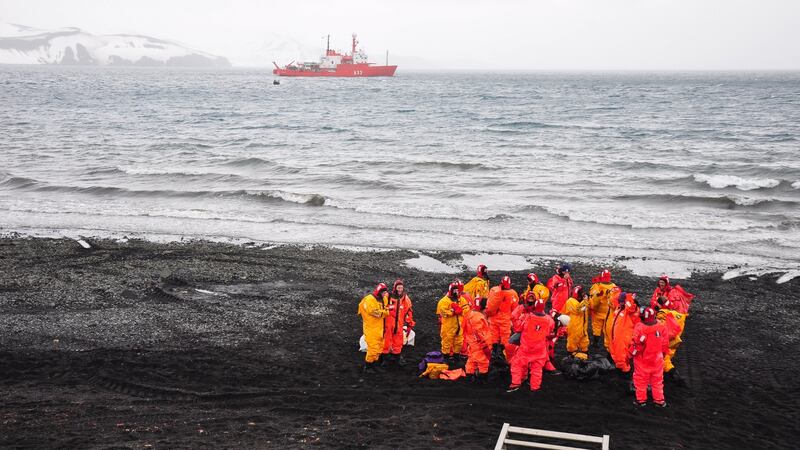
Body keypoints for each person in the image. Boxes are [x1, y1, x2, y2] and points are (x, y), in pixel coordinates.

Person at [507, 298, 555, 393]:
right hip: (539, 349)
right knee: (537, 369)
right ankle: (535, 387)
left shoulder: (527, 317)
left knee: (516, 364)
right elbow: (550, 332)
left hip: (526, 348)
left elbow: (517, 328)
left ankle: (515, 383)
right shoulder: (549, 320)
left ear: (534, 306)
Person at [630, 307, 670, 407]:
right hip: (657, 360)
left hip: (642, 361)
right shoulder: (662, 327)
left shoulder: (639, 327)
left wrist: (630, 355)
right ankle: (659, 401)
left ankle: (641, 400)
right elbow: (665, 345)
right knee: (657, 381)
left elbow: (636, 345)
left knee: (640, 381)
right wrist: (662, 355)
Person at [382, 279, 416, 366]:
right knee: (386, 340)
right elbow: (381, 307)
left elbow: (408, 310)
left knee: (398, 340)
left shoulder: (404, 298)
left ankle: (396, 357)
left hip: (399, 323)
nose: (400, 289)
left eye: (401, 287)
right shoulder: (388, 296)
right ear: (395, 288)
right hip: (388, 323)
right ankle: (385, 359)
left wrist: (409, 322)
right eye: (398, 287)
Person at [358, 283, 390, 372]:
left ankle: (374, 364)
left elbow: (385, 308)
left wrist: (384, 311)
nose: (385, 294)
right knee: (373, 348)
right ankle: (368, 366)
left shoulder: (384, 298)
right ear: (379, 292)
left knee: (380, 346)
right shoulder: (369, 300)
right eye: (383, 292)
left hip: (379, 327)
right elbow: (376, 313)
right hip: (371, 327)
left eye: (385, 292)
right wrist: (386, 312)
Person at [485, 275, 519, 360]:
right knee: (505, 338)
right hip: (505, 319)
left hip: (494, 317)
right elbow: (515, 308)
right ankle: (505, 355)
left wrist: (488, 314)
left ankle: (494, 353)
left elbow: (489, 304)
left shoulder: (494, 290)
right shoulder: (513, 294)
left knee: (494, 336)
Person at [655, 296, 688, 380]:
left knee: (664, 360)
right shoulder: (677, 314)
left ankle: (674, 375)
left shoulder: (662, 313)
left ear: (660, 304)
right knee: (667, 357)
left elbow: (659, 327)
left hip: (665, 340)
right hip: (674, 340)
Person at [462, 296, 493, 383]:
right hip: (480, 345)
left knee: (471, 360)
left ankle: (469, 378)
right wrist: (485, 346)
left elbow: (464, 329)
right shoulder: (479, 318)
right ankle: (482, 381)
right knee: (483, 362)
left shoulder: (469, 314)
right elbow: (479, 334)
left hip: (472, 343)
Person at [436, 282, 470, 359]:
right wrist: (453, 312)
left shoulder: (461, 299)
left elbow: (467, 308)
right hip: (448, 326)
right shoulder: (444, 301)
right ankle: (446, 358)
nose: (456, 293)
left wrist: (461, 311)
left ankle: (456, 357)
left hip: (458, 325)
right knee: (446, 342)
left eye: (457, 291)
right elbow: (442, 312)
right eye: (455, 291)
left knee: (459, 342)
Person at [609, 292, 640, 373]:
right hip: (615, 336)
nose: (621, 302)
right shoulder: (619, 308)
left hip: (623, 337)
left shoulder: (631, 310)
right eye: (620, 301)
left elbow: (631, 308)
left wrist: (629, 300)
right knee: (615, 354)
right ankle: (620, 368)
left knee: (622, 356)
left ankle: (625, 372)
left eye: (623, 301)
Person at [588, 269, 616, 350]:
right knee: (607, 329)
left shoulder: (597, 286)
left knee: (596, 328)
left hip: (597, 311)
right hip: (608, 312)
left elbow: (593, 302)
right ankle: (607, 345)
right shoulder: (614, 287)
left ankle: (596, 343)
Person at [564, 285, 590, 359]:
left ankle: (584, 356)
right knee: (572, 344)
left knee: (584, 343)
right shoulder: (570, 301)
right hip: (574, 327)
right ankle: (570, 358)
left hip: (582, 327)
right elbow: (578, 310)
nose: (583, 294)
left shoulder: (581, 301)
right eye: (581, 293)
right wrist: (585, 300)